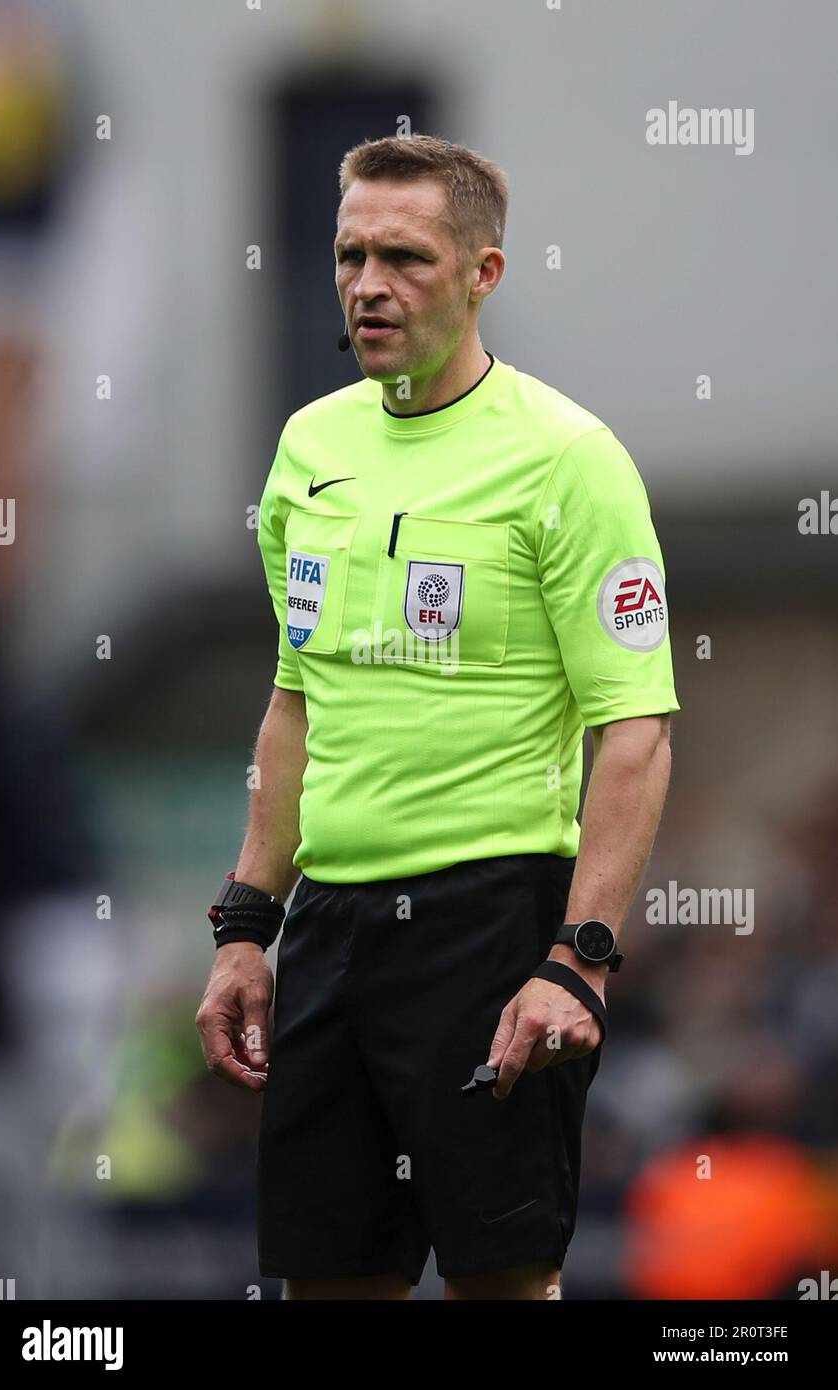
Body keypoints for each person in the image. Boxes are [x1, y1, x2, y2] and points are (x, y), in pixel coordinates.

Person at [196, 133, 680, 1301]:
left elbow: (635, 728)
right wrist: (246, 924)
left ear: (482, 275)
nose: (370, 284)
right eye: (350, 255)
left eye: (406, 258)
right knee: (325, 1280)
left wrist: (577, 961)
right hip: (330, 926)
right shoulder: (309, 446)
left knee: (502, 1281)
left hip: (489, 923)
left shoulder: (567, 459)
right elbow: (296, 696)